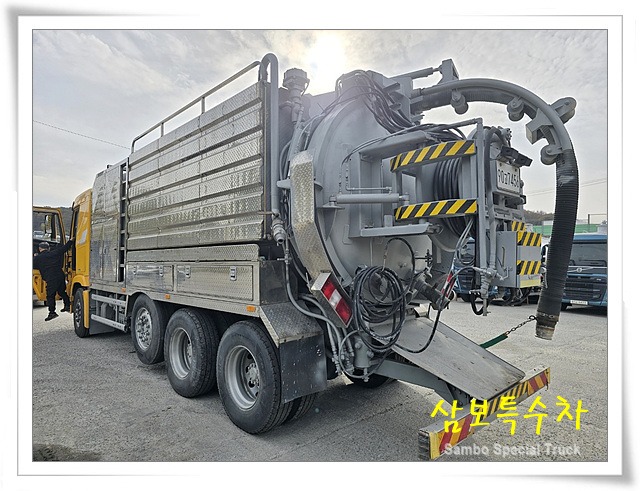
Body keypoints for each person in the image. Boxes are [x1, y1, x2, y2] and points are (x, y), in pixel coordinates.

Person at [33, 239, 74, 321]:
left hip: (50, 277)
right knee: (61, 291)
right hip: (60, 275)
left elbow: (34, 267)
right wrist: (70, 241)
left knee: (50, 295)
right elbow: (64, 248)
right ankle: (67, 305)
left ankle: (52, 313)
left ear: (40, 249)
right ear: (48, 248)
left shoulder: (38, 258)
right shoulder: (54, 253)